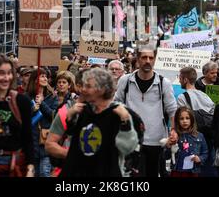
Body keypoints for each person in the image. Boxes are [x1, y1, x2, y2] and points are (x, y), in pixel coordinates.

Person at [60, 68, 138, 177]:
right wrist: (70, 118)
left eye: (88, 86)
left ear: (101, 89)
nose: (83, 89)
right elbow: (75, 139)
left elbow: (127, 148)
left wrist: (125, 122)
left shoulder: (119, 113)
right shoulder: (83, 110)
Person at [114, 46, 177, 177]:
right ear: (138, 59)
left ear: (155, 60)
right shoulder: (125, 80)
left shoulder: (163, 83)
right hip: (131, 140)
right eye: (144, 57)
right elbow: (116, 104)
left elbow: (172, 110)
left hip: (156, 141)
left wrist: (174, 131)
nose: (147, 61)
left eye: (151, 58)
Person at [46, 69, 86, 177]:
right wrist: (73, 155)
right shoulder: (65, 108)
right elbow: (50, 145)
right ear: (79, 86)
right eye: (59, 82)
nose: (61, 85)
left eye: (64, 82)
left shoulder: (108, 109)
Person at [26, 68, 58, 177]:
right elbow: (22, 118)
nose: (45, 78)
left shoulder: (53, 97)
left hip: (46, 140)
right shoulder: (27, 97)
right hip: (32, 140)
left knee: (44, 173)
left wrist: (42, 103)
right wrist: (32, 110)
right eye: (42, 76)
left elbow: (54, 116)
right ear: (35, 79)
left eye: (46, 76)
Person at [164, 107, 208, 177]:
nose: (184, 121)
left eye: (187, 118)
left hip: (193, 171)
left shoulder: (199, 136)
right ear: (177, 121)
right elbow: (166, 156)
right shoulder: (175, 136)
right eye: (181, 119)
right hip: (177, 171)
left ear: (192, 120)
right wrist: (169, 146)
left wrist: (200, 159)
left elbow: (205, 153)